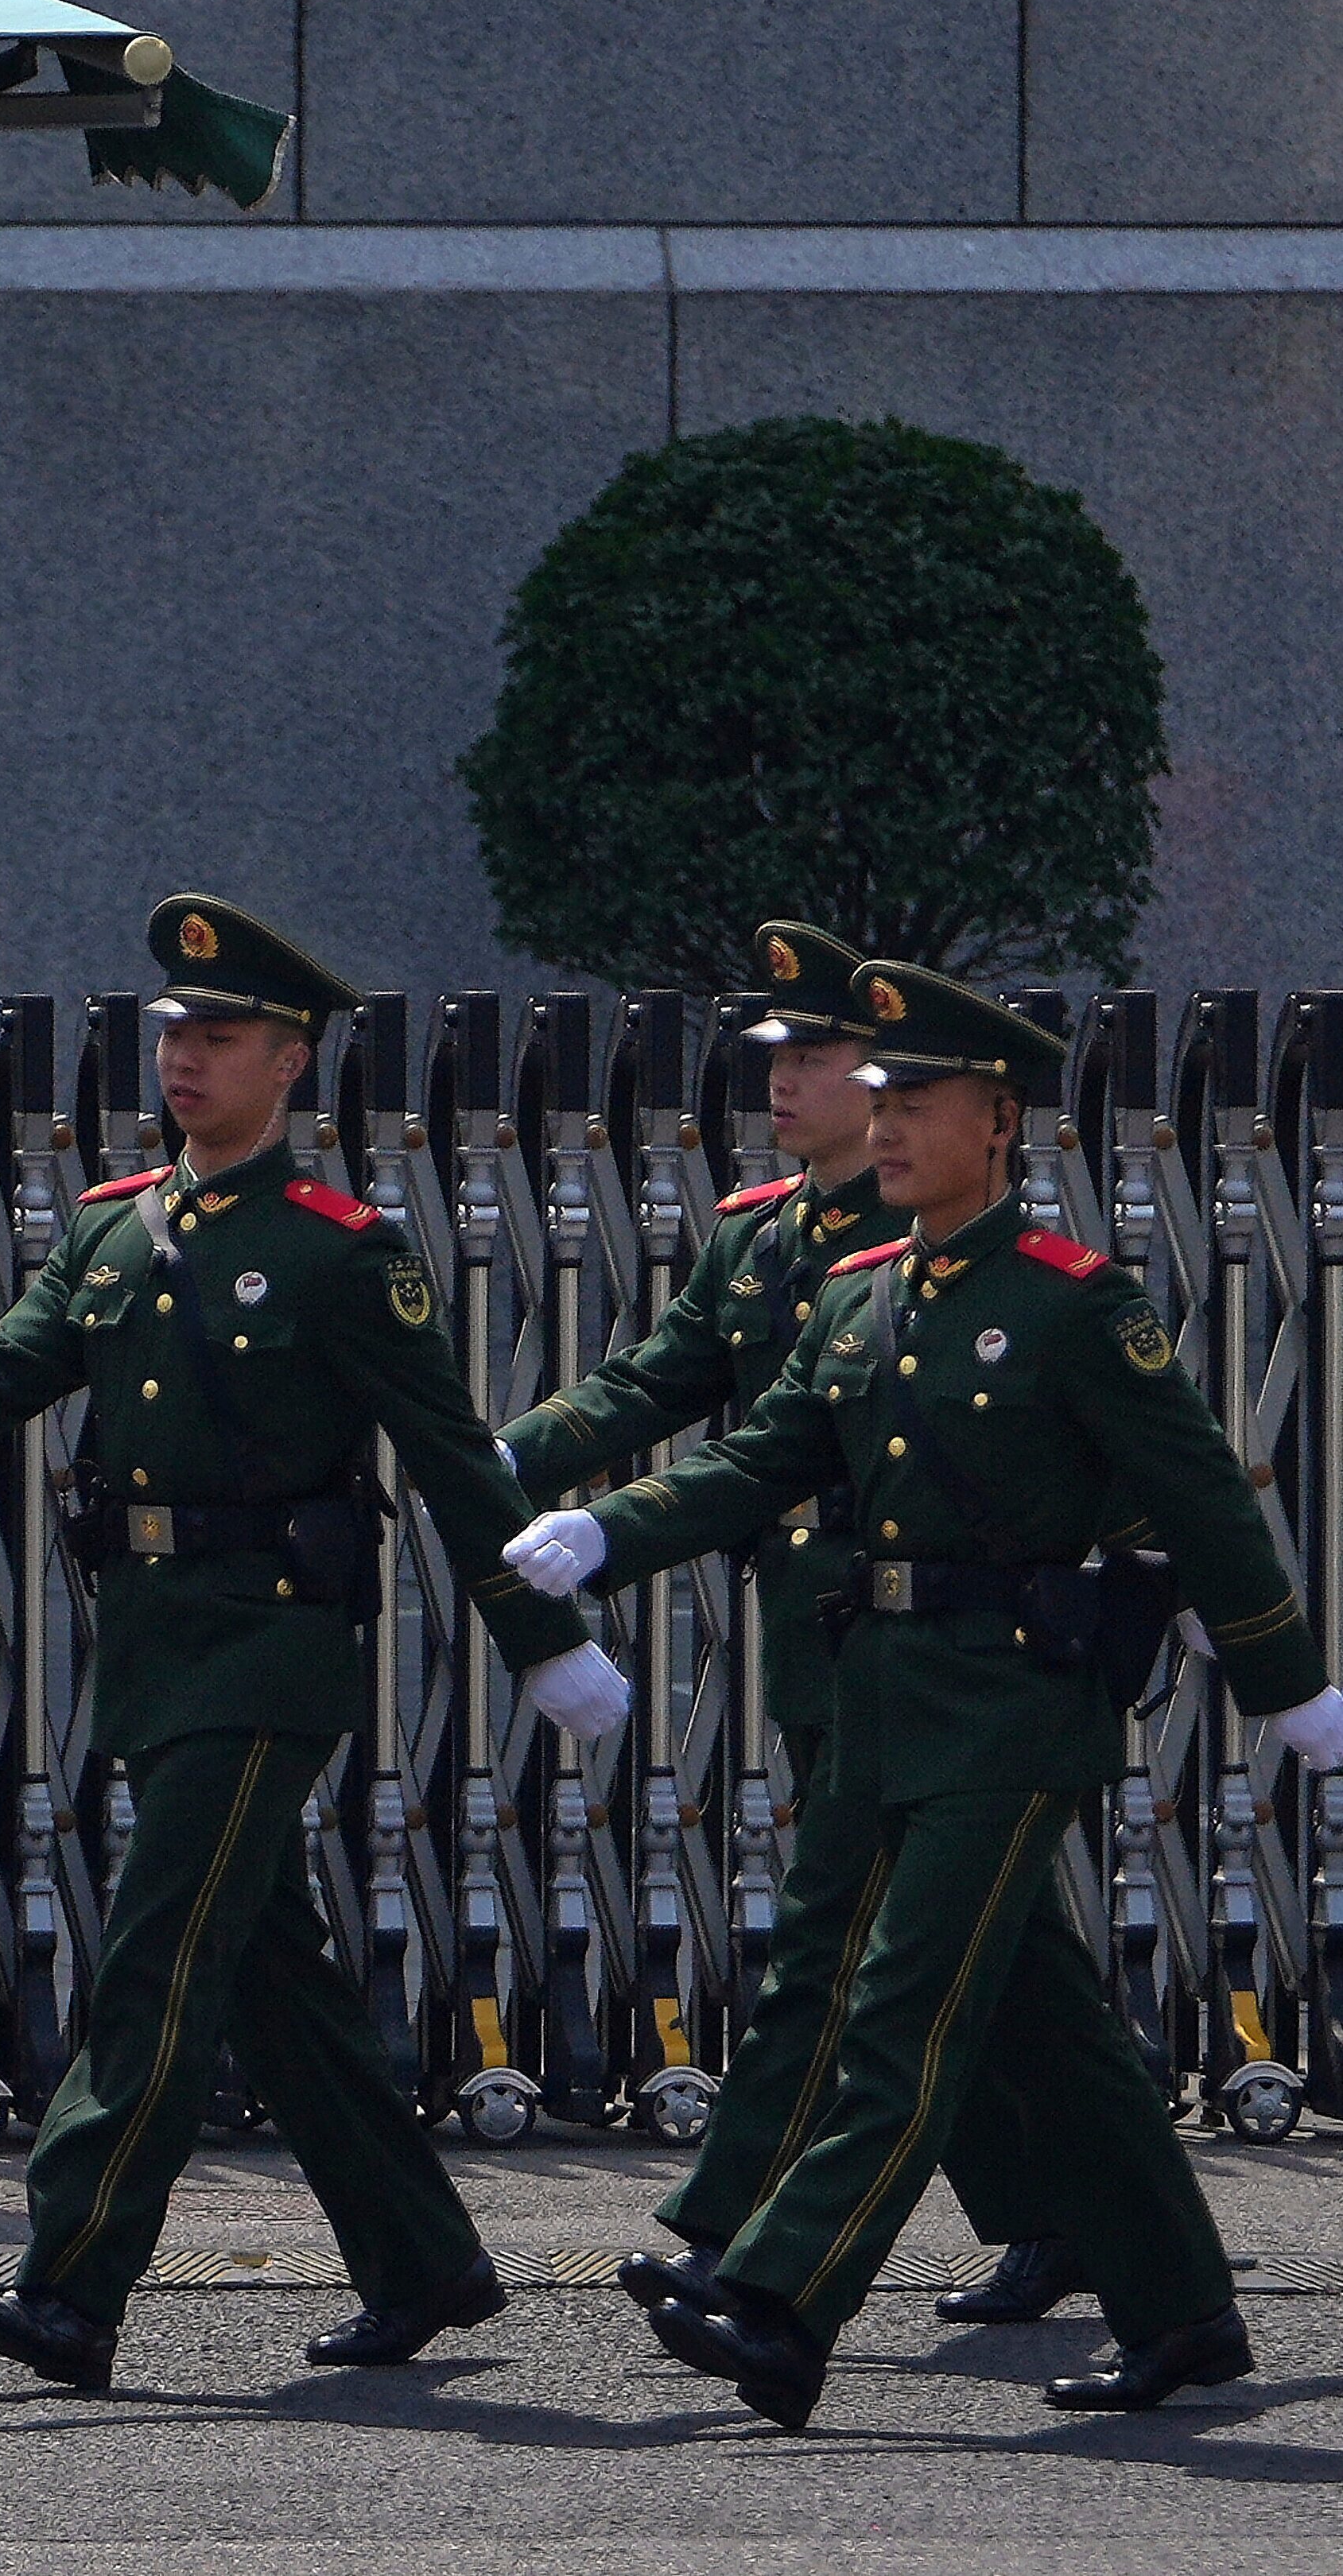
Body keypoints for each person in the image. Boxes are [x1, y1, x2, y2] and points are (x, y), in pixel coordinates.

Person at [0, 895, 633, 2392]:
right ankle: (426, 2260)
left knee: (157, 1960)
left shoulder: (343, 1252)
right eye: (172, 1033)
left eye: (219, 1037)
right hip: (154, 1646)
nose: (183, 1058)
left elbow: (455, 1457)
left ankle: (72, 2284)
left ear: (291, 1062)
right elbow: (5, 1364)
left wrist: (542, 1640)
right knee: (267, 1970)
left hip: (273, 1650)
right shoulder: (114, 1224)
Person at [507, 963, 1343, 2427]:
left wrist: (1286, 1678)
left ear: (1000, 1119)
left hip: (1015, 1707)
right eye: (878, 1098)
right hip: (882, 1698)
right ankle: (1186, 2310)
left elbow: (1203, 1498)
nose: (885, 1125)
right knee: (1037, 2020)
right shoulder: (855, 1294)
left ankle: (779, 2296)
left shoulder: (1078, 1307)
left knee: (903, 2003)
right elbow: (758, 1461)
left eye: (918, 1100)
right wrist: (610, 1530)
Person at [494, 922, 1077, 2323]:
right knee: (987, 1965)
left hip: (930, 1649)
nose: (787, 1086)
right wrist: (520, 1450)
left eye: (817, 1060)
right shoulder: (764, 1236)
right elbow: (659, 1376)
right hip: (823, 1645)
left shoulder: (932, 1238)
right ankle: (1077, 2221)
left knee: (850, 1956)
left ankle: (736, 2233)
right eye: (780, 1060)